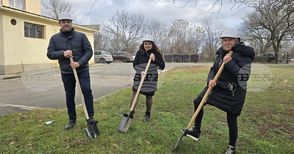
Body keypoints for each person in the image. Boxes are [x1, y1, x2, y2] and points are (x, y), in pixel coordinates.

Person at [184, 32, 255, 154]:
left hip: (234, 92)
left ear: (236, 41)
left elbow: (243, 76)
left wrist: (230, 62)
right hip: (217, 87)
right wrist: (210, 80)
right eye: (224, 40)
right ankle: (196, 131)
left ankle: (232, 147)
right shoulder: (220, 52)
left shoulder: (244, 54)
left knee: (231, 118)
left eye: (230, 40)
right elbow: (213, 69)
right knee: (198, 101)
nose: (226, 43)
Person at [47, 13, 96, 130]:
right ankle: (72, 120)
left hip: (82, 70)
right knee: (69, 95)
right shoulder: (55, 39)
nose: (66, 24)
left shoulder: (81, 36)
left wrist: (79, 63)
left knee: (87, 91)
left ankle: (90, 118)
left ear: (71, 23)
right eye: (63, 21)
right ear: (60, 23)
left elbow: (89, 51)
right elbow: (49, 54)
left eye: (68, 21)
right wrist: (62, 53)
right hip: (66, 72)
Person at [131, 37, 165, 122]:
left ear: (152, 44)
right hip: (140, 76)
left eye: (149, 44)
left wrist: (155, 59)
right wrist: (140, 71)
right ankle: (131, 112)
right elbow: (135, 64)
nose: (147, 45)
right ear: (143, 44)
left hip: (151, 78)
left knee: (149, 96)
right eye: (145, 43)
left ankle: (148, 113)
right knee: (135, 93)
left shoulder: (156, 53)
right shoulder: (139, 53)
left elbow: (162, 66)